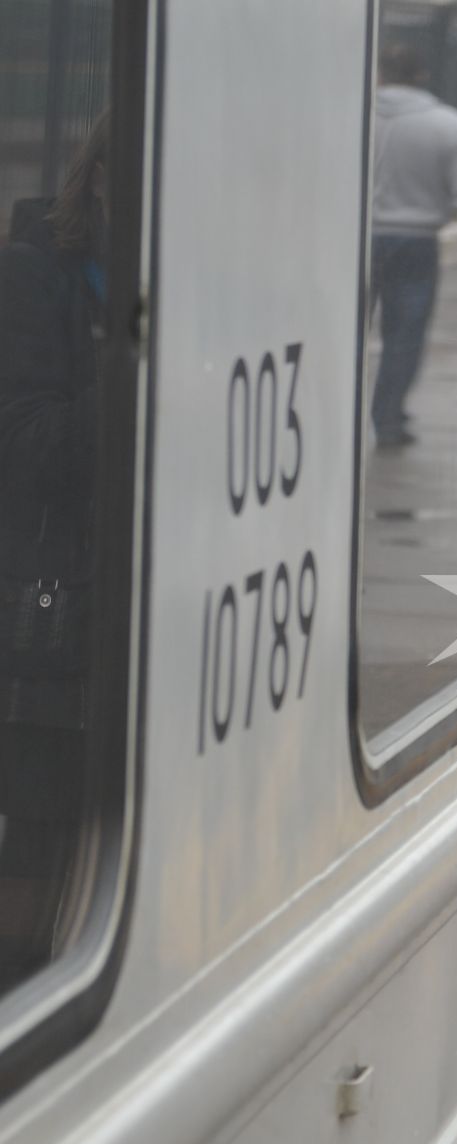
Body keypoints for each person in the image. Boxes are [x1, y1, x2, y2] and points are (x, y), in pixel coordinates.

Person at [0, 116, 108, 995]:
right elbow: (33, 443)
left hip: (144, 604)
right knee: (40, 827)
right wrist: (139, 360)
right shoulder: (36, 277)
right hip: (55, 607)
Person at [369, 43, 457, 448]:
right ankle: (388, 419)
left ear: (378, 75)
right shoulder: (450, 126)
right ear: (421, 77)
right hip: (416, 244)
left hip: (357, 241)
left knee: (343, 332)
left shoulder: (351, 115)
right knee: (404, 335)